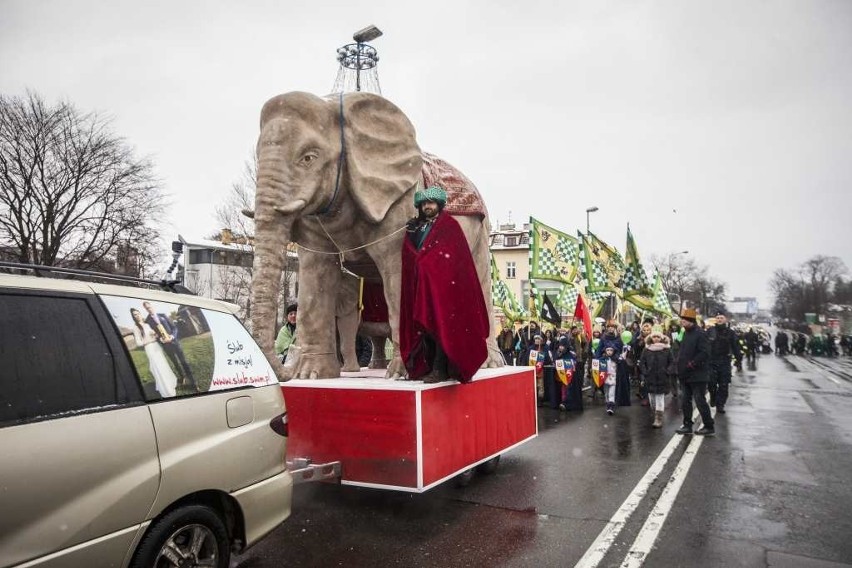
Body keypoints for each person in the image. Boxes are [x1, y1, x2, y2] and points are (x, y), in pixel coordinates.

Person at [399, 186, 489, 383]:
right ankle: (428, 366)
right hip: (420, 287)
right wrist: (411, 235)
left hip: (443, 289)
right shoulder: (418, 226)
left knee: (440, 327)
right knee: (425, 328)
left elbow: (447, 259)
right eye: (423, 204)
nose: (427, 207)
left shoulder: (449, 226)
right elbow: (412, 255)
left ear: (439, 204)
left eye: (430, 203)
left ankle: (440, 368)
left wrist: (429, 268)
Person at [675, 308, 714, 436]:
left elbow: (705, 352)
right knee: (685, 400)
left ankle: (708, 426)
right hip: (685, 373)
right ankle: (687, 425)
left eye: (685, 320)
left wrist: (692, 363)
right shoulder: (685, 333)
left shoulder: (701, 333)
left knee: (699, 400)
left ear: (691, 321)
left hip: (698, 374)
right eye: (682, 319)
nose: (682, 321)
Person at [143, 301, 197, 391]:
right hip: (166, 346)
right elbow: (152, 335)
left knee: (184, 362)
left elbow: (174, 328)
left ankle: (193, 382)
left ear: (152, 306)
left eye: (149, 307)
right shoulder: (147, 321)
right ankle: (182, 377)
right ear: (145, 309)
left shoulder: (162, 315)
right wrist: (159, 339)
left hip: (174, 342)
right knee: (175, 363)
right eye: (146, 308)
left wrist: (172, 336)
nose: (149, 309)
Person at [131, 308, 179, 398]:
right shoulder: (136, 328)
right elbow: (138, 343)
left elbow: (155, 336)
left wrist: (155, 335)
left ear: (141, 314)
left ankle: (170, 383)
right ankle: (166, 389)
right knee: (157, 367)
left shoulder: (146, 324)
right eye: (134, 315)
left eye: (138, 313)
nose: (137, 316)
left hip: (157, 346)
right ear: (133, 317)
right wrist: (149, 339)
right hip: (149, 348)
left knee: (163, 365)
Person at [640, 327, 673, 428]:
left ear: (662, 338)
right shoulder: (646, 349)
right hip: (650, 377)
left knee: (659, 399)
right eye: (654, 336)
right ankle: (655, 412)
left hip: (662, 377)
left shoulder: (667, 349)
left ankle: (658, 419)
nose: (656, 338)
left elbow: (672, 362)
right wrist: (645, 372)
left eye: (658, 337)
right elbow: (642, 362)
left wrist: (667, 371)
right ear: (651, 337)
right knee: (652, 399)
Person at [706, 311, 738, 414]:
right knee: (711, 383)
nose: (719, 319)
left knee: (724, 385)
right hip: (712, 361)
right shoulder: (710, 331)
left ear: (725, 320)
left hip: (724, 362)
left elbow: (735, 346)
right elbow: (704, 345)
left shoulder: (730, 333)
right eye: (718, 317)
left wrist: (738, 358)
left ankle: (721, 405)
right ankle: (713, 396)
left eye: (721, 318)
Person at [557, 338, 583, 411]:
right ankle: (563, 402)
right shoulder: (559, 354)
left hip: (571, 376)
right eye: (560, 346)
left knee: (569, 390)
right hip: (563, 376)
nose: (561, 347)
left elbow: (574, 364)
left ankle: (568, 404)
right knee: (564, 389)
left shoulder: (571, 354)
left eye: (562, 346)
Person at [599, 346, 618, 415]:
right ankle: (608, 404)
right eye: (608, 350)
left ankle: (611, 407)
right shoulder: (602, 359)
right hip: (605, 378)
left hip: (613, 378)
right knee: (606, 393)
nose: (609, 352)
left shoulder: (616, 359)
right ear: (605, 351)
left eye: (611, 350)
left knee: (612, 393)